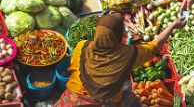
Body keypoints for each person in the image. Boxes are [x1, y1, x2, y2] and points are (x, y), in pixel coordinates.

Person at [54, 13, 186, 106]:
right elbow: (154, 46)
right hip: (99, 103)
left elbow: (72, 69)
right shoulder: (127, 55)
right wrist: (173, 26)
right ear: (118, 36)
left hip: (70, 98)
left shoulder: (82, 45)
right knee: (130, 98)